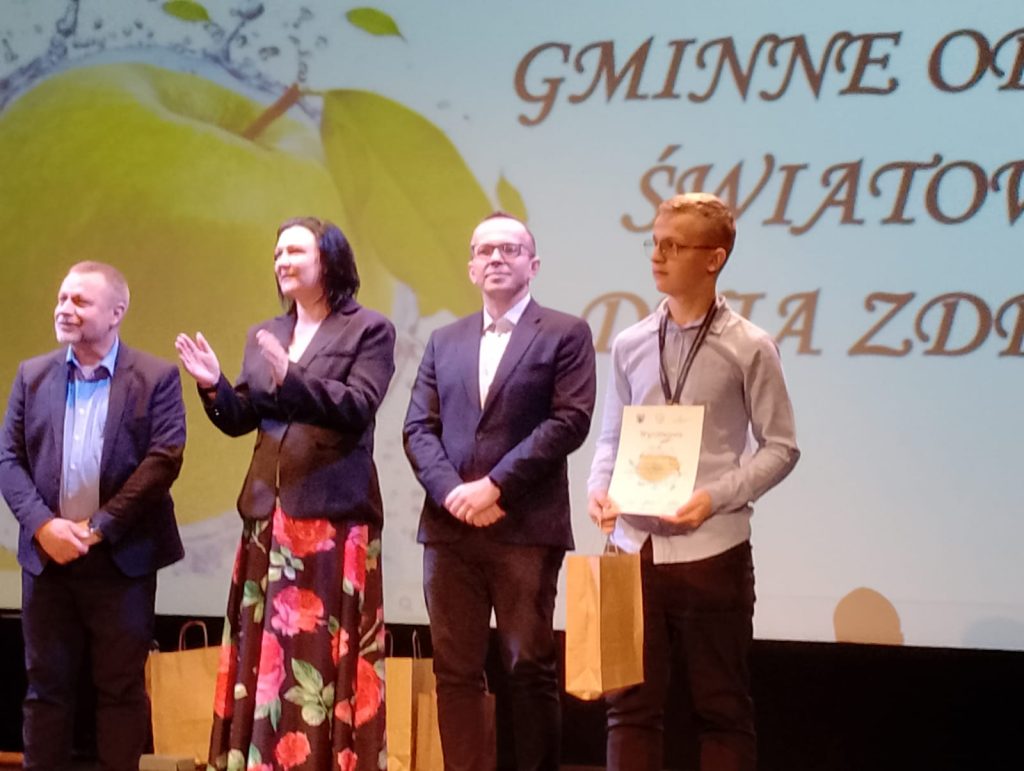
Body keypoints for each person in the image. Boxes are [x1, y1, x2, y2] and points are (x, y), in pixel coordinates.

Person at [588, 193, 800, 771]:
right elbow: (612, 437)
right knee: (628, 708)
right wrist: (599, 487)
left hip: (713, 552)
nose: (657, 256)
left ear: (714, 258)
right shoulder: (631, 342)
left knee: (722, 709)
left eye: (673, 245)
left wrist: (716, 497)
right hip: (634, 550)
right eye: (654, 242)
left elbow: (781, 446)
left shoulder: (749, 346)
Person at [175, 217, 395, 771]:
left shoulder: (368, 329)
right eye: (277, 253)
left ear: (330, 260)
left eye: (295, 250)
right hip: (266, 517)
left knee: (319, 654)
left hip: (329, 519)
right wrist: (213, 385)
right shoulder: (267, 332)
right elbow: (243, 417)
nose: (282, 261)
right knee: (263, 655)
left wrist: (291, 374)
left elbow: (357, 406)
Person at [403, 211, 596, 771]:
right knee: (455, 672)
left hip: (525, 530)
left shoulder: (565, 332)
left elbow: (570, 420)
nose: (495, 258)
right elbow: (417, 428)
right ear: (470, 268)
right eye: (484, 250)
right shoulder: (444, 340)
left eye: (509, 249)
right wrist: (452, 493)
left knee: (527, 667)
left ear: (533, 265)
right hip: (450, 532)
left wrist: (494, 487)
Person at [0, 261, 186, 771]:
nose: (64, 308)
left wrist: (98, 529)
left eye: (80, 301)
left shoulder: (155, 377)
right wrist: (43, 526)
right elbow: (8, 459)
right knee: (45, 690)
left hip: (121, 560)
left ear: (116, 312)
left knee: (121, 690)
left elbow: (164, 459)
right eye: (62, 298)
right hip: (48, 559)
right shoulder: (32, 375)